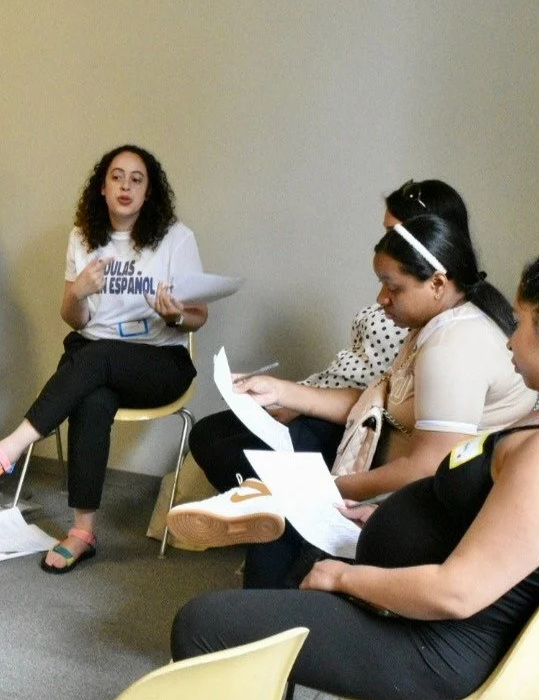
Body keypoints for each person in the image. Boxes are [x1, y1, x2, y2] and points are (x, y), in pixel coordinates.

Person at [171, 231, 539, 700]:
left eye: (520, 323)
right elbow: (493, 520)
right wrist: (384, 516)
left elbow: (457, 593)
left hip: (435, 647)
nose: (510, 340)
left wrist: (344, 577)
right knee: (287, 566)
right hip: (433, 620)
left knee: (204, 624)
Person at [170, 213, 539, 589]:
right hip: (400, 470)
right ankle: (261, 567)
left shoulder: (452, 346)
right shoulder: (434, 326)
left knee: (288, 501)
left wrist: (329, 489)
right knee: (284, 473)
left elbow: (426, 468)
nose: (381, 299)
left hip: (433, 505)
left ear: (437, 284)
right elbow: (377, 403)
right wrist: (282, 391)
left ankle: (262, 580)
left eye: (392, 287)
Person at [0, 145, 205, 572]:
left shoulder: (176, 239)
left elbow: (199, 317)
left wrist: (176, 313)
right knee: (93, 394)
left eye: (137, 179)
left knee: (98, 356)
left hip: (160, 363)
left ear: (149, 192)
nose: (126, 186)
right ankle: (83, 531)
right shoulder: (83, 237)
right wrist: (78, 293)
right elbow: (74, 319)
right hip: (94, 360)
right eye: (117, 177)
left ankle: (7, 450)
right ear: (102, 188)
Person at [184, 180, 470, 493]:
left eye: (394, 233)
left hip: (341, 420)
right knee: (206, 434)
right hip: (322, 394)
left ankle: (268, 518)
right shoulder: (410, 310)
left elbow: (381, 405)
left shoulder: (441, 332)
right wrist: (288, 392)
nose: (382, 298)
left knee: (247, 456)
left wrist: (298, 402)